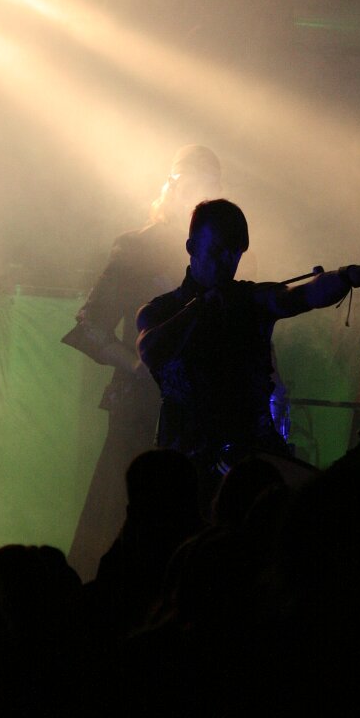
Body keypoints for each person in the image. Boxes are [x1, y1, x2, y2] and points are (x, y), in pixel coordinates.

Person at [136, 198, 360, 503]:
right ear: (192, 247)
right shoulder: (159, 310)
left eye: (235, 253)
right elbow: (150, 351)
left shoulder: (250, 299)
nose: (227, 262)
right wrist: (198, 308)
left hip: (254, 459)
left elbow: (301, 294)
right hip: (183, 464)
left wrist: (345, 276)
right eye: (217, 251)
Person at [62, 145, 222, 580]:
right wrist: (139, 367)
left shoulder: (219, 256)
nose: (198, 193)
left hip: (202, 416)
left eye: (209, 184)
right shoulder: (137, 247)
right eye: (190, 182)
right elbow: (90, 325)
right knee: (123, 520)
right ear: (171, 187)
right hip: (140, 412)